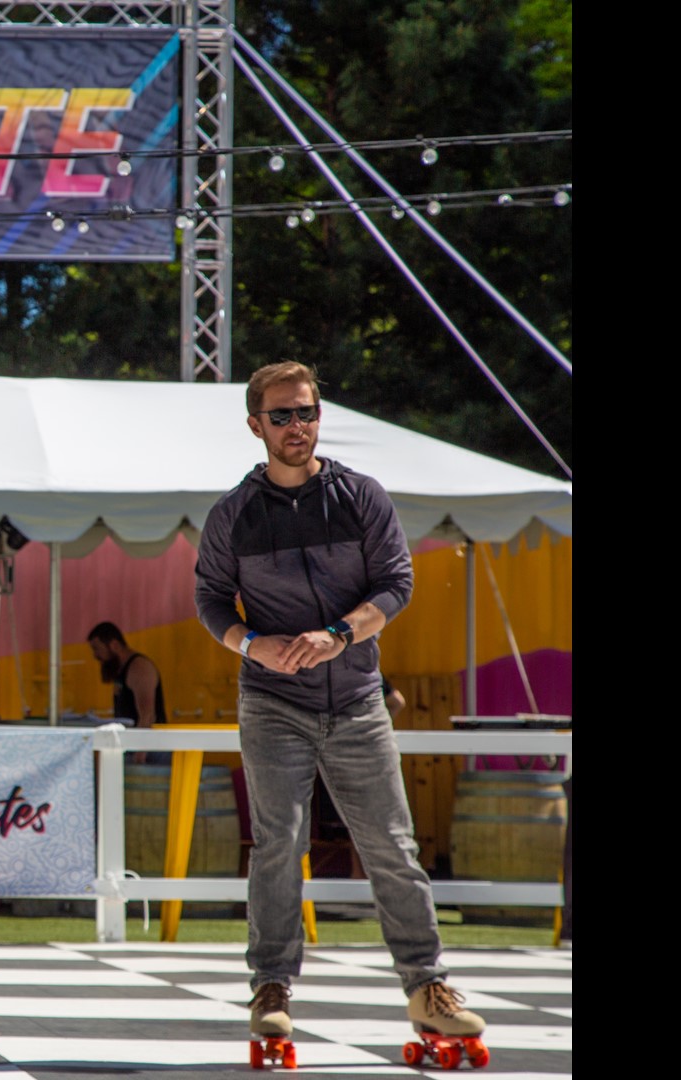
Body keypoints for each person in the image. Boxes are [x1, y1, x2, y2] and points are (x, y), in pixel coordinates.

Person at [192, 361, 485, 1050]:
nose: (298, 426)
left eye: (308, 412)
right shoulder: (233, 514)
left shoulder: (360, 496)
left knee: (392, 845)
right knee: (277, 844)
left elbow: (396, 584)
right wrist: (249, 644)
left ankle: (427, 987)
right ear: (255, 425)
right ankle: (272, 987)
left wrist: (341, 634)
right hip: (272, 702)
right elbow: (208, 599)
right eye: (283, 415)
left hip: (355, 699)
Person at [86, 621, 164, 762]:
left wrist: (140, 751)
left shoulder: (139, 668)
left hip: (148, 749)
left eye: (97, 649)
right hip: (131, 745)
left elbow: (148, 715)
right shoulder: (121, 671)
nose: (96, 656)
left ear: (114, 645)